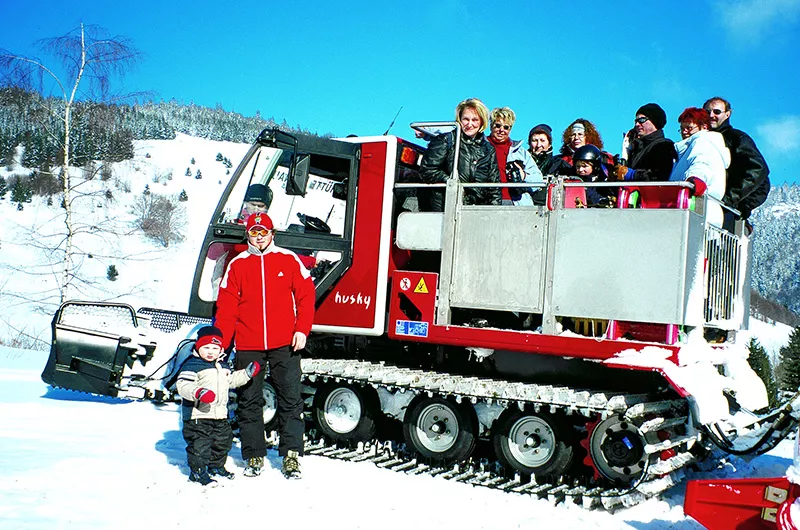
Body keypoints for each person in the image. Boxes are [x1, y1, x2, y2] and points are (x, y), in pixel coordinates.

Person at [215, 212, 316, 479]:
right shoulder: (237, 265)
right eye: (254, 232)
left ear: (272, 234)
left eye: (263, 232)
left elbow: (306, 296)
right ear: (248, 235)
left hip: (286, 343)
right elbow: (226, 309)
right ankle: (254, 455)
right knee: (249, 401)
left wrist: (301, 330)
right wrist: (222, 344)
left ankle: (291, 455)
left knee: (291, 400)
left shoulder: (288, 259)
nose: (259, 237)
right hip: (249, 344)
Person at [176, 325, 260, 486]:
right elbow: (183, 385)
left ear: (220, 349)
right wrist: (198, 392)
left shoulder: (223, 366)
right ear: (198, 347)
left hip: (220, 415)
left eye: (215, 348)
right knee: (201, 445)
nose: (210, 351)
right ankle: (198, 472)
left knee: (223, 441)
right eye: (205, 347)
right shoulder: (193, 365)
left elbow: (232, 381)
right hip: (198, 416)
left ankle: (216, 466)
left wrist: (247, 373)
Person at [419, 98, 501, 211]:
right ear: (459, 120)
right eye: (466, 119)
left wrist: (495, 212)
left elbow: (494, 185)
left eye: (475, 120)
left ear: (482, 121)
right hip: (445, 207)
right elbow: (427, 169)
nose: (470, 124)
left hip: (475, 209)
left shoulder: (488, 149)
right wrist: (451, 182)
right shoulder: (446, 140)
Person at [703, 96, 770, 223]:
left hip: (725, 212)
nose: (711, 115)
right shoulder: (700, 139)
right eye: (707, 112)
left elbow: (759, 171)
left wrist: (735, 201)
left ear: (727, 114)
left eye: (717, 112)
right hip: (705, 207)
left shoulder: (737, 138)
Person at [669, 107, 730, 226]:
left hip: (699, 212)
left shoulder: (703, 141)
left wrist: (696, 179)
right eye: (682, 129)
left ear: (704, 127)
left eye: (689, 128)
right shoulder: (684, 152)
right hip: (693, 212)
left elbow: (702, 162)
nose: (684, 132)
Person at [486, 107, 543, 206]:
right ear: (491, 126)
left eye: (506, 127)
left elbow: (538, 180)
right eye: (498, 126)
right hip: (486, 202)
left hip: (515, 202)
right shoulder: (480, 147)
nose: (501, 130)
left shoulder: (521, 152)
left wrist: (523, 175)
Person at [612, 103, 676, 182]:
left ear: (655, 121)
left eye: (641, 120)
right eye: (636, 121)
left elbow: (659, 176)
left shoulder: (663, 145)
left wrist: (632, 174)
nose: (637, 124)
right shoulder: (637, 150)